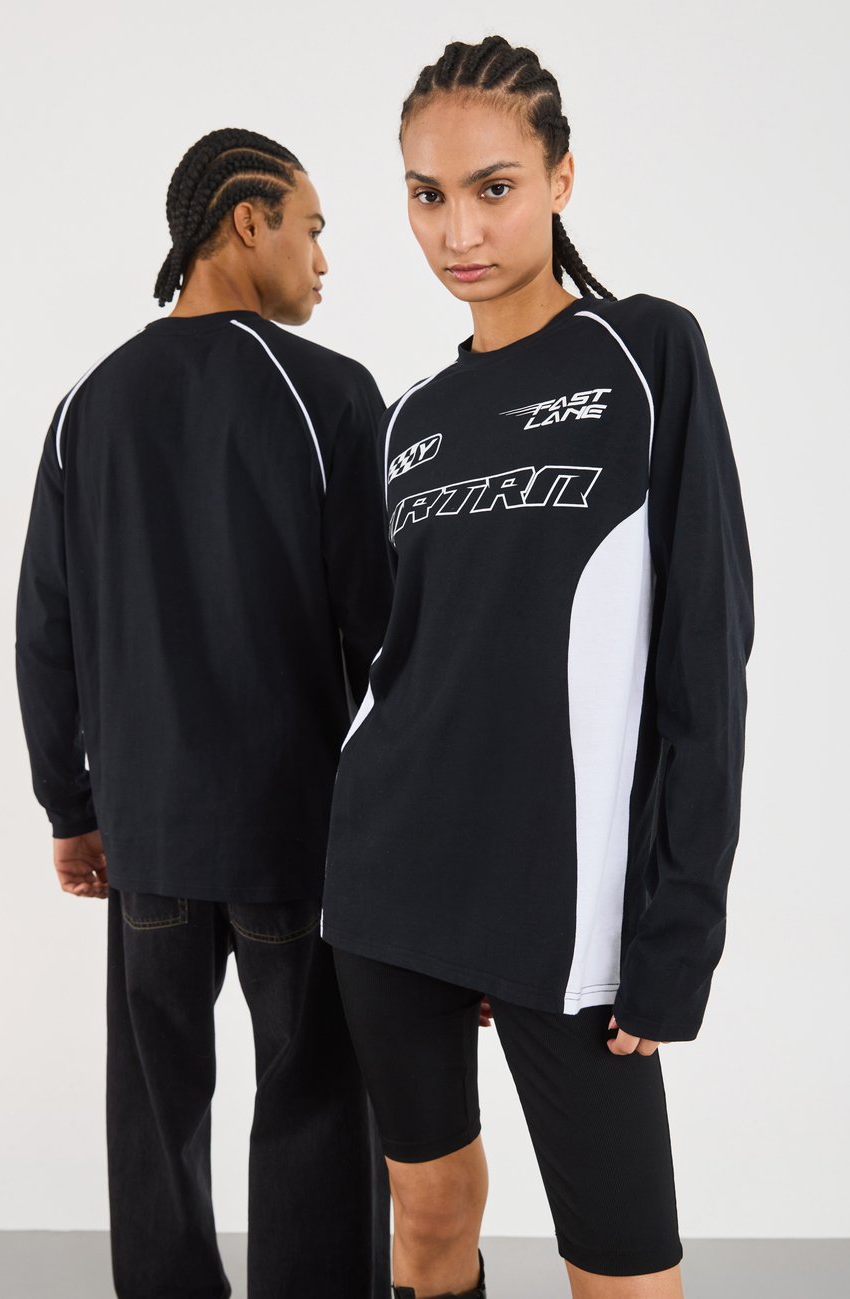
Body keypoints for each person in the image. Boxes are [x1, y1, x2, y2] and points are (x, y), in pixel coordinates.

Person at [320, 36, 755, 1299]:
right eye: (427, 194)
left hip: (569, 910)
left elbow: (707, 652)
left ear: (563, 178)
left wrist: (679, 933)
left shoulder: (646, 352)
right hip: (393, 886)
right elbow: (395, 660)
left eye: (494, 187)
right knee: (428, 1217)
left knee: (625, 1269)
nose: (458, 230)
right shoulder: (411, 420)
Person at [14, 127, 393, 1299]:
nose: (323, 259)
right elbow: (385, 636)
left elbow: (46, 632)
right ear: (246, 221)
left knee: (154, 1110)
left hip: (147, 840)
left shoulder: (87, 406)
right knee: (317, 1096)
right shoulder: (330, 394)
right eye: (311, 228)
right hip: (294, 838)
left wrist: (71, 809)